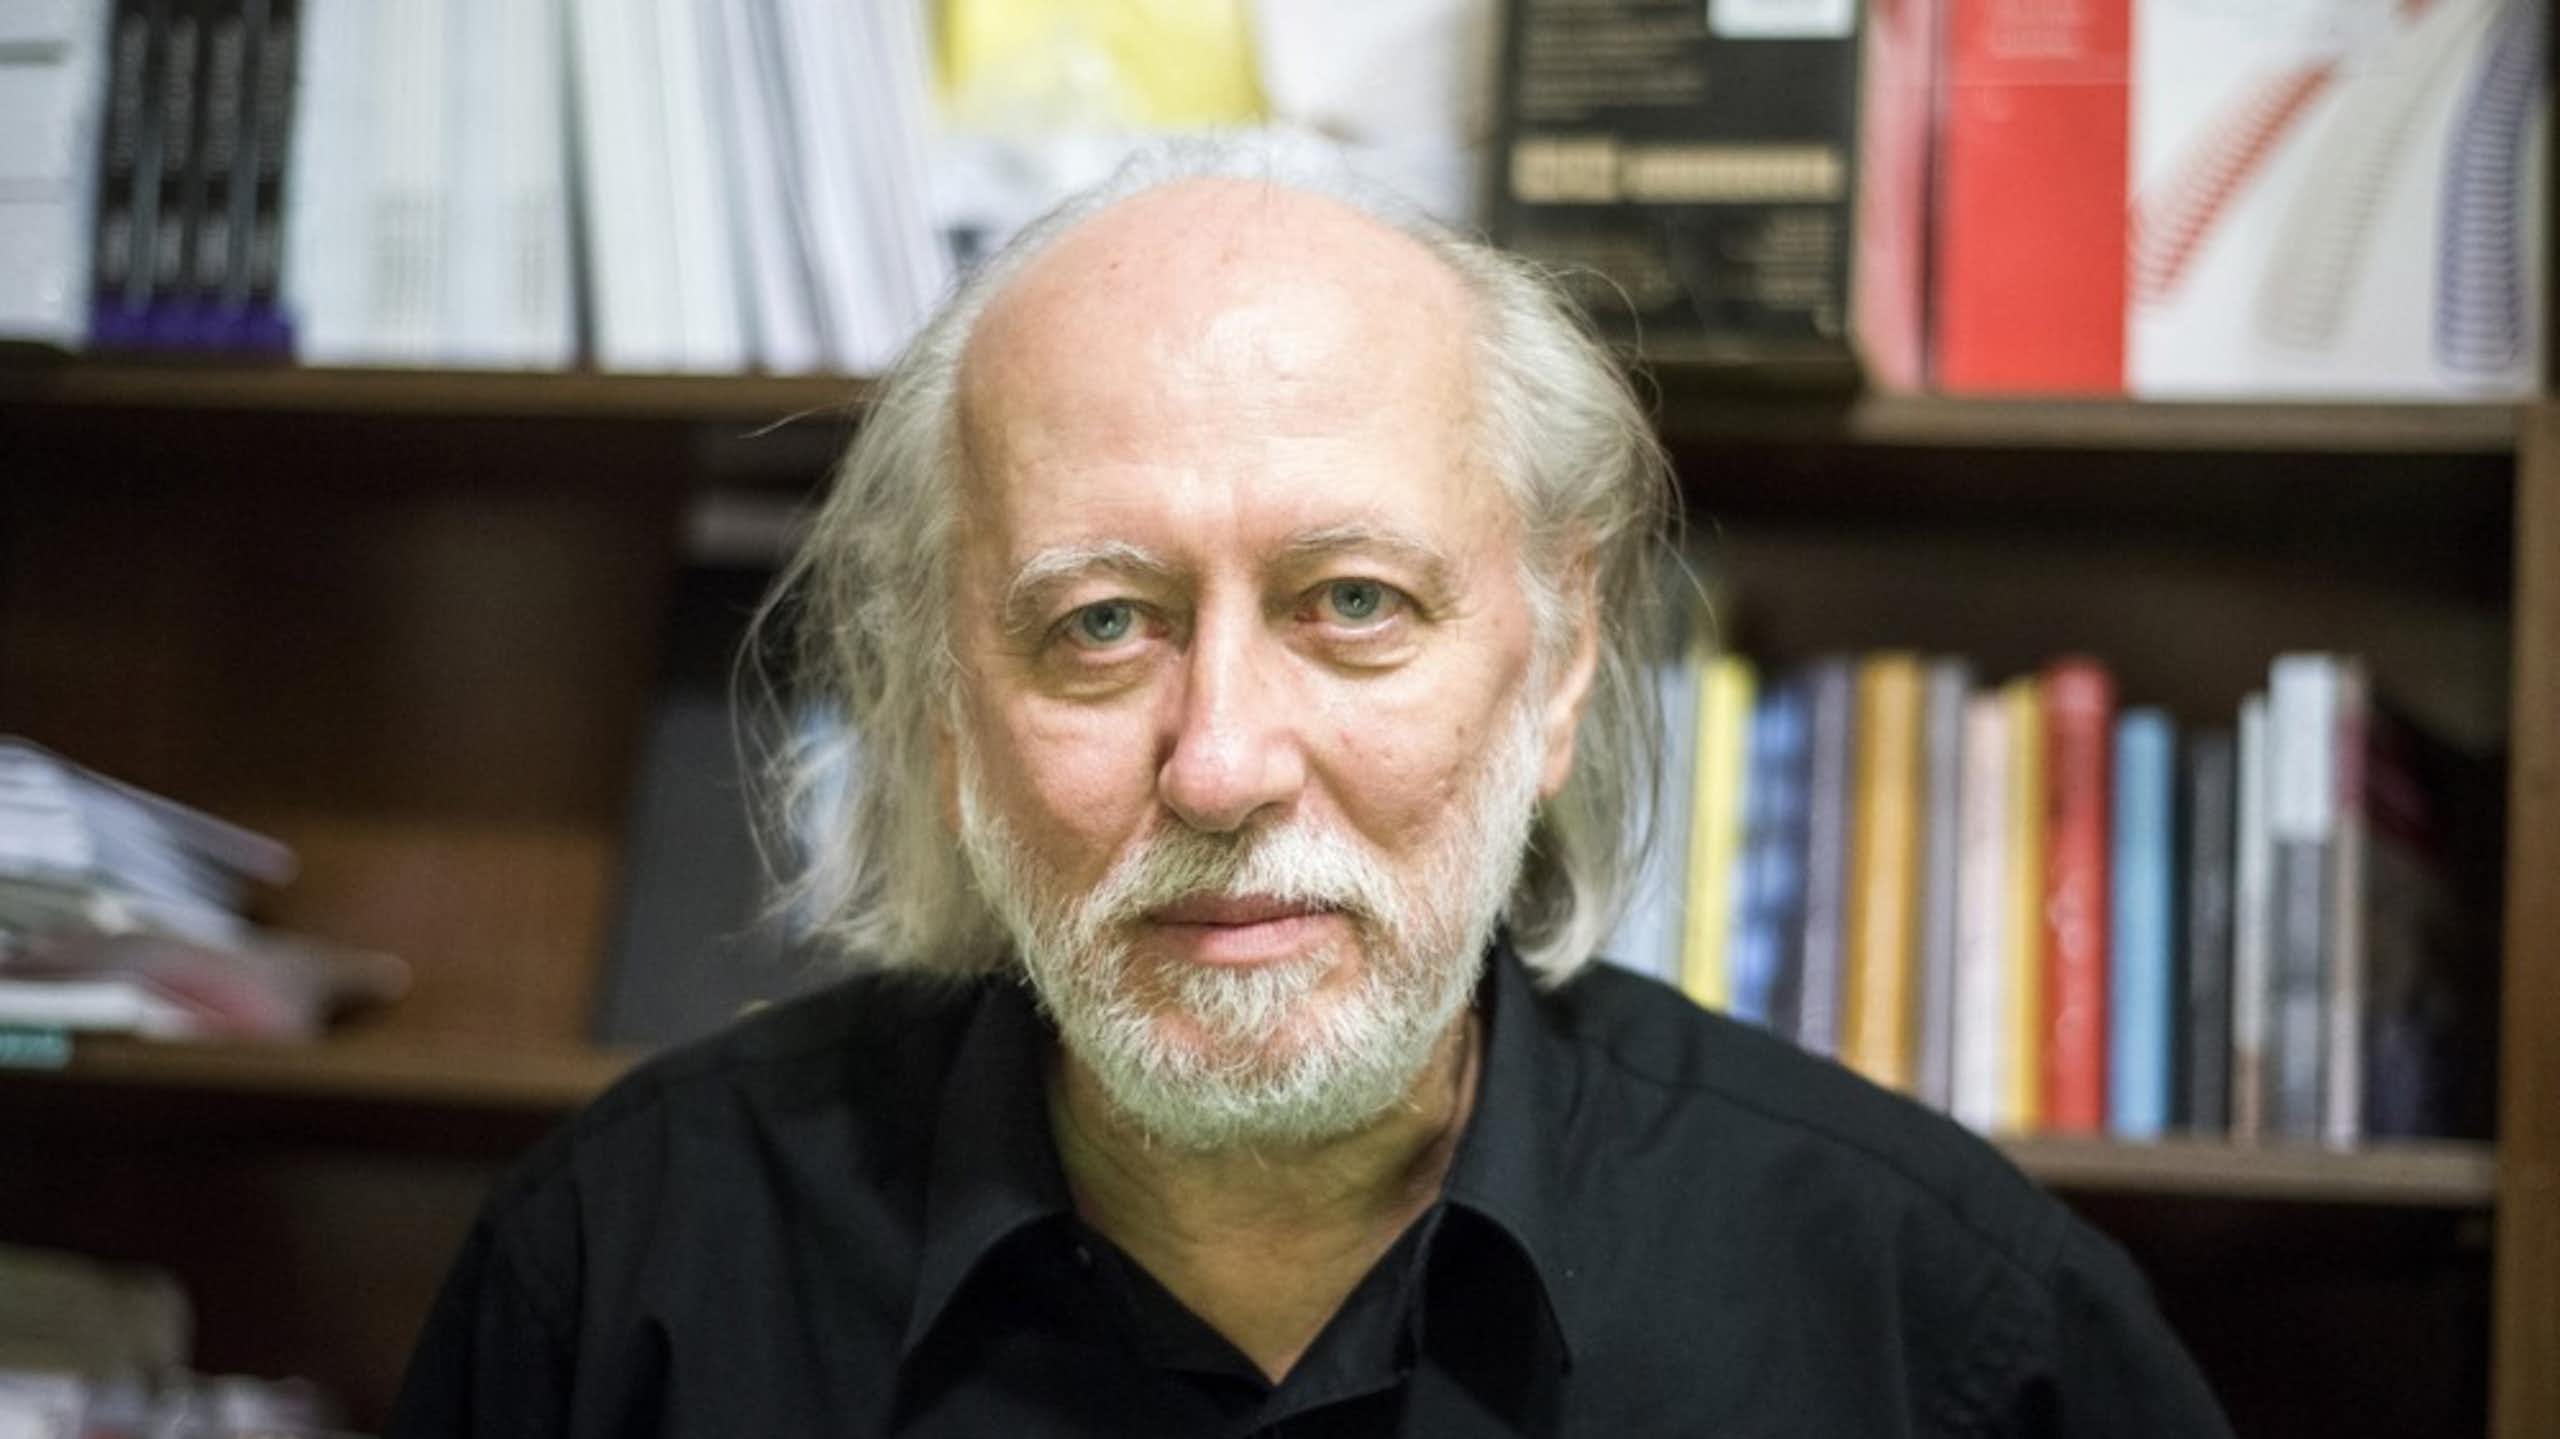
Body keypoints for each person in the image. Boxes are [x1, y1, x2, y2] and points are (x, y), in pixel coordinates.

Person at [389, 142, 2234, 1437]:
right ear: (943, 704)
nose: (1223, 763)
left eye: (1353, 604)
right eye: (1101, 623)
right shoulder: (620, 1277)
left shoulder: (1943, 1330)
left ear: (1560, 662)